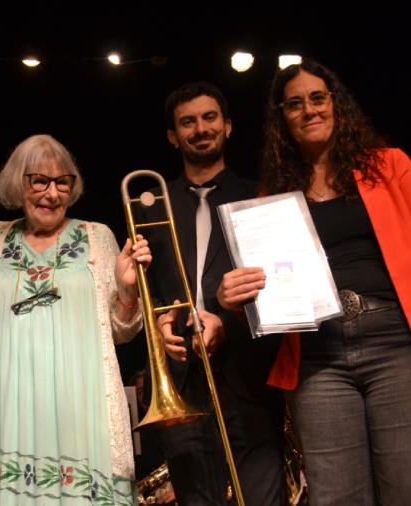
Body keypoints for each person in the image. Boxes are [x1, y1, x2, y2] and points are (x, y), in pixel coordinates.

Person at [218, 60, 411, 505]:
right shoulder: (270, 197)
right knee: (337, 498)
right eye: (294, 104)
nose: (309, 110)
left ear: (336, 104)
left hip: (397, 346)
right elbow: (270, 291)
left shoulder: (389, 165)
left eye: (318, 98)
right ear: (282, 118)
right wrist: (235, 298)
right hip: (319, 359)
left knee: (410, 492)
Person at [0, 134, 148, 504]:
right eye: (39, 181)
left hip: (81, 411)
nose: (51, 194)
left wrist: (127, 289)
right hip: (9, 408)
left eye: (61, 183)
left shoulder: (97, 237)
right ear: (18, 183)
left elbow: (123, 331)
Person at [139, 82, 284, 505]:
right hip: (181, 378)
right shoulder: (151, 204)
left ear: (228, 126)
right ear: (173, 136)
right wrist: (160, 324)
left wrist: (228, 323)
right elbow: (147, 293)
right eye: (187, 122)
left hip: (248, 374)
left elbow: (279, 287)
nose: (200, 129)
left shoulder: (261, 197)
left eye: (209, 118)